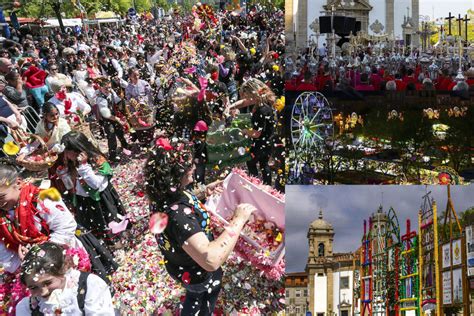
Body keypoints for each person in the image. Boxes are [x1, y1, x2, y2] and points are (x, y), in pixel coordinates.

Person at [144, 138, 257, 315]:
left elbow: (179, 208)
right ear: (176, 173)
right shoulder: (179, 216)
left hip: (179, 264)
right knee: (199, 299)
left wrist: (203, 192)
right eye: (189, 165)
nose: (195, 167)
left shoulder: (161, 194)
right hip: (197, 273)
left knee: (196, 293)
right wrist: (239, 220)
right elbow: (210, 259)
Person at [0, 160, 84, 314]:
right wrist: (22, 263)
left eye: (1, 196)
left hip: (60, 258)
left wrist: (38, 254)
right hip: (30, 273)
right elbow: (3, 252)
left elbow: (66, 226)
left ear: (18, 183)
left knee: (74, 299)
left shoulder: (40, 198)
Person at [58, 131, 128, 246]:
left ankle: (117, 242)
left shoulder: (97, 160)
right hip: (84, 200)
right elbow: (72, 186)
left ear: (77, 150)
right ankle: (103, 245)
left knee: (108, 222)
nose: (65, 154)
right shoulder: (72, 163)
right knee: (93, 225)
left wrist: (84, 167)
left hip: (101, 200)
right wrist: (65, 176)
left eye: (67, 151)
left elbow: (95, 184)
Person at [16, 242, 115, 315]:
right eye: (33, 287)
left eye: (48, 282)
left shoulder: (90, 286)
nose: (43, 292)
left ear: (63, 270)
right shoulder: (26, 308)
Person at [95, 77, 130, 162]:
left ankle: (125, 145)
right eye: (106, 88)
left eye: (109, 87)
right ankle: (112, 155)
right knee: (111, 136)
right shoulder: (100, 98)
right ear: (100, 88)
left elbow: (117, 101)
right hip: (107, 119)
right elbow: (106, 114)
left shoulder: (111, 92)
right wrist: (117, 119)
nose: (108, 89)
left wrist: (122, 101)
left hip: (114, 115)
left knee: (120, 132)